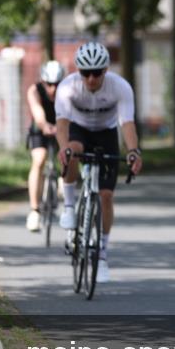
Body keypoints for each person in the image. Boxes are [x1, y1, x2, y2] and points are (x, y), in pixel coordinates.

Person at [56, 42, 142, 284]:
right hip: (79, 130)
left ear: (106, 70)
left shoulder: (120, 87)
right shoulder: (67, 87)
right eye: (85, 73)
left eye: (97, 73)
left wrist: (134, 151)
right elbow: (62, 124)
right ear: (78, 72)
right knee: (72, 152)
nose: (91, 79)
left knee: (106, 196)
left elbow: (127, 123)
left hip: (106, 133)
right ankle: (70, 207)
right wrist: (63, 149)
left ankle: (102, 255)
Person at [25, 61, 65, 231]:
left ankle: (63, 183)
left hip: (62, 127)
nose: (53, 89)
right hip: (40, 129)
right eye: (49, 84)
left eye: (57, 84)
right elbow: (37, 111)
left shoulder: (67, 91)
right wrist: (44, 125)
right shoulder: (34, 90)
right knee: (39, 159)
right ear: (43, 82)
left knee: (66, 155)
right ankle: (34, 210)